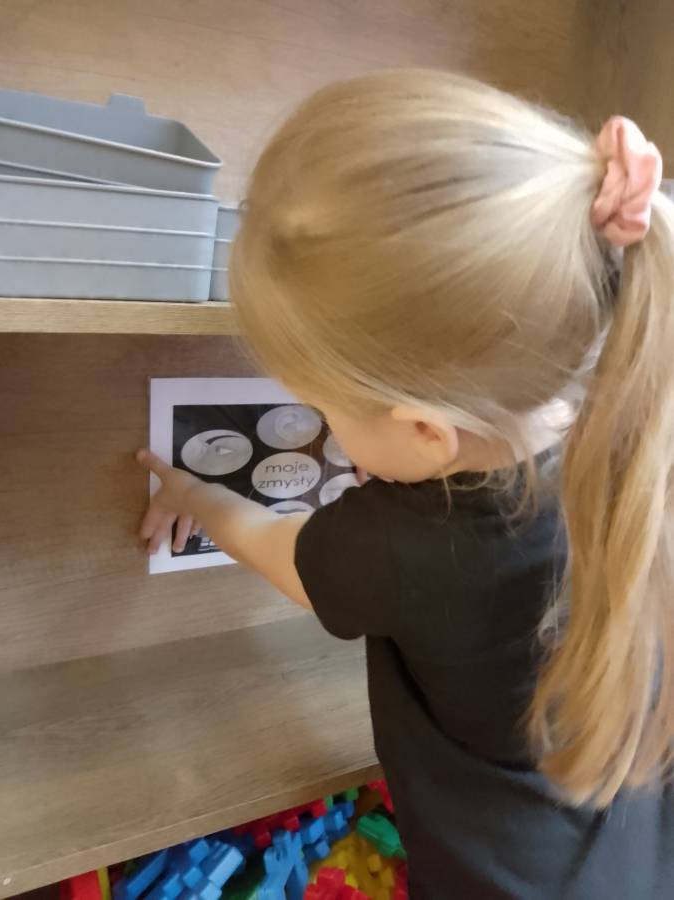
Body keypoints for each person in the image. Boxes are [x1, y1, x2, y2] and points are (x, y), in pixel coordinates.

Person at [137, 70, 674, 898]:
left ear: (427, 430)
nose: (323, 430)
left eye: (323, 409)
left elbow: (279, 551)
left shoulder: (401, 542)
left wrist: (193, 496)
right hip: (631, 840)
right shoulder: (623, 421)